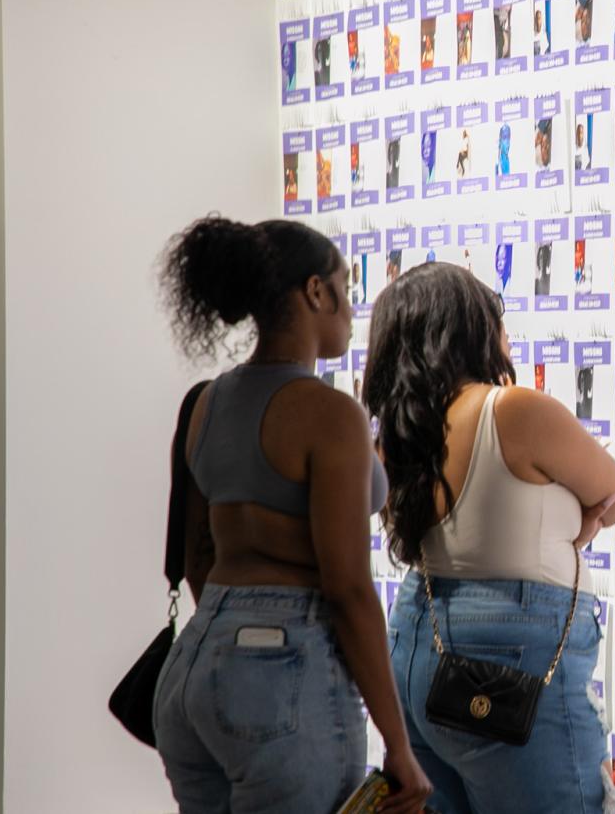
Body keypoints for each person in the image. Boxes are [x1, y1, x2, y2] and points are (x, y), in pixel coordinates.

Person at [152, 217, 430, 813]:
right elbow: (348, 588)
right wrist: (399, 744)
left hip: (193, 667)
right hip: (281, 673)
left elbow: (202, 557)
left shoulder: (207, 402)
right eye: (345, 286)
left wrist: (234, 647)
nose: (353, 309)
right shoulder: (328, 415)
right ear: (314, 292)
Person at [363, 263, 615, 814]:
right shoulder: (512, 409)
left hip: (418, 645)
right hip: (510, 657)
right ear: (468, 328)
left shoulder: (396, 436)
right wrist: (576, 527)